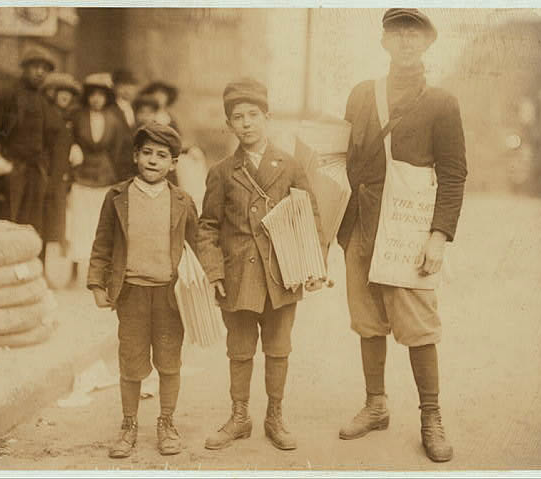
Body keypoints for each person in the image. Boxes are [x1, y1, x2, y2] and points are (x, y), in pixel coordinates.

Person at [336, 9, 467, 463]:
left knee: (418, 326)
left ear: (427, 43)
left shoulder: (441, 101)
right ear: (385, 41)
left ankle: (431, 416)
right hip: (362, 224)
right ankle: (376, 405)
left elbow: (453, 174)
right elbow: (339, 155)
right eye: (398, 33)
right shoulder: (361, 94)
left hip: (409, 227)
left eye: (415, 34)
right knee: (368, 320)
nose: (407, 41)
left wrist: (439, 235)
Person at [197, 78, 325, 452]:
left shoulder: (290, 165)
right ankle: (239, 417)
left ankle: (275, 416)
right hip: (237, 275)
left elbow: (309, 215)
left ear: (268, 117)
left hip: (282, 273)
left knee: (278, 348)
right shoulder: (221, 171)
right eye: (238, 117)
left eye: (254, 115)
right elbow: (207, 226)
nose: (247, 123)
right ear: (229, 125)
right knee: (238, 349)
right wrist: (214, 271)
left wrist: (313, 264)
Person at [87, 122, 198, 458]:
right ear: (135, 156)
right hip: (131, 293)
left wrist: (208, 281)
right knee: (131, 361)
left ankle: (166, 421)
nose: (153, 160)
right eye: (146, 153)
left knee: (169, 362)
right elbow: (102, 242)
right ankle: (129, 423)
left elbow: (198, 246)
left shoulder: (182, 200)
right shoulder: (117, 196)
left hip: (169, 295)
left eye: (162, 155)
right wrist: (96, 282)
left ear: (173, 164)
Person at [0, 45, 68, 239]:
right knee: (9, 219)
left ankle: (30, 266)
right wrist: (2, 161)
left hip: (36, 169)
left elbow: (54, 137)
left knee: (34, 221)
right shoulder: (6, 94)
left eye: (45, 69)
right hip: (12, 167)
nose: (40, 72)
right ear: (25, 68)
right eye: (35, 67)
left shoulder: (44, 101)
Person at [68, 73, 131, 284]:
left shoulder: (114, 120)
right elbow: (69, 139)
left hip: (105, 175)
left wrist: (110, 169)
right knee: (78, 223)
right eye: (92, 95)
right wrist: (74, 150)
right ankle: (74, 271)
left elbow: (118, 149)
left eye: (100, 96)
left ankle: (102, 273)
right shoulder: (78, 117)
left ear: (107, 98)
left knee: (102, 223)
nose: (96, 99)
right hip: (82, 174)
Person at [39, 72, 82, 253]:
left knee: (56, 224)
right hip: (47, 174)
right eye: (61, 92)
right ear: (52, 93)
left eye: (69, 93)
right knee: (43, 222)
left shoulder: (67, 118)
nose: (65, 96)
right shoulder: (47, 114)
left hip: (61, 176)